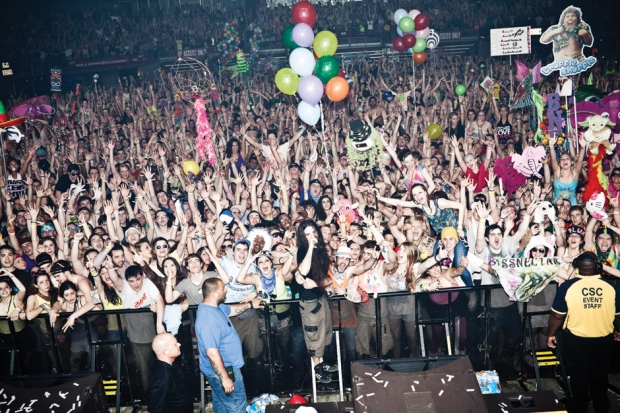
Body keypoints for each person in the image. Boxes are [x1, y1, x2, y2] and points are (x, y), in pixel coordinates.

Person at [547, 252, 620, 413]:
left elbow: (557, 315)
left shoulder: (567, 286)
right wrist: (618, 331)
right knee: (600, 375)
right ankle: (601, 406)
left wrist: (551, 334)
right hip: (603, 339)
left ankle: (579, 408)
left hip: (575, 340)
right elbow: (618, 315)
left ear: (576, 266)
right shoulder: (611, 286)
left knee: (578, 376)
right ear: (598, 266)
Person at [195, 278, 262, 413]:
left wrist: (250, 305)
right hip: (225, 370)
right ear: (214, 294)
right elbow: (212, 353)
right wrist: (225, 378)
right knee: (237, 406)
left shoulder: (215, 307)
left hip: (225, 368)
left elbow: (231, 310)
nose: (226, 291)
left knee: (221, 405)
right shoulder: (208, 319)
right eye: (222, 289)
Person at [148, 333, 194, 413]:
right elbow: (153, 410)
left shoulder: (169, 363)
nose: (179, 344)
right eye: (175, 344)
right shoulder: (162, 380)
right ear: (165, 352)